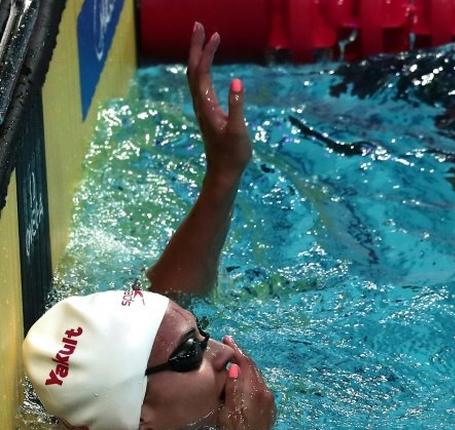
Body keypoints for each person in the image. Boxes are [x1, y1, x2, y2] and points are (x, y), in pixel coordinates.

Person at [22, 23, 276, 429]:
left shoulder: (140, 400)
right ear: (140, 418)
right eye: (191, 352)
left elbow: (172, 299)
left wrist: (224, 174)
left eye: (202, 335)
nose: (226, 352)